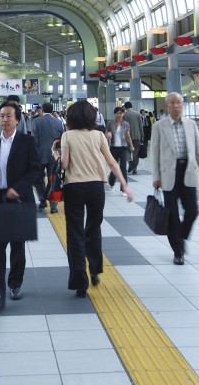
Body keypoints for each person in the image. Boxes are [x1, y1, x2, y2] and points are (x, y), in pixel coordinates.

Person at [60, 100, 132, 297]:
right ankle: (94, 269)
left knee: (75, 233)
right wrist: (124, 185)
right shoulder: (99, 135)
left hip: (73, 187)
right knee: (93, 228)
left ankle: (80, 282)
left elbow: (65, 164)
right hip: (95, 188)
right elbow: (111, 162)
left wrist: (57, 155)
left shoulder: (67, 135)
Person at [0, 101, 41, 309]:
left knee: (17, 245)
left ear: (17, 119)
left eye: (8, 116)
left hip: (19, 199)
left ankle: (15, 283)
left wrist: (19, 188)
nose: (4, 119)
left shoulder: (26, 141)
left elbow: (35, 170)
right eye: (1, 116)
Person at [151, 93, 199, 265]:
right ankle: (178, 251)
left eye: (179, 102)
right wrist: (156, 177)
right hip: (168, 174)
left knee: (192, 210)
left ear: (182, 105)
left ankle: (181, 236)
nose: (176, 106)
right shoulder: (159, 126)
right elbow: (154, 153)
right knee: (172, 215)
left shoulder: (191, 124)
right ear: (167, 106)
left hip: (188, 172)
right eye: (172, 103)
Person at [31, 103, 65, 213]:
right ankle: (53, 206)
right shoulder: (59, 122)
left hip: (39, 155)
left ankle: (42, 199)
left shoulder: (36, 121)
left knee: (38, 179)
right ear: (52, 110)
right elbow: (61, 139)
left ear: (42, 110)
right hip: (54, 155)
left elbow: (34, 139)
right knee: (53, 180)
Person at [106, 107, 133, 188]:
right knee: (114, 166)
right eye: (117, 113)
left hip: (123, 147)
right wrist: (108, 135)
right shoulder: (110, 123)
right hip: (113, 147)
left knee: (123, 168)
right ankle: (111, 182)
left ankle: (124, 188)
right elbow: (106, 133)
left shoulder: (126, 124)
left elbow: (128, 136)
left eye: (120, 113)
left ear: (123, 114)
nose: (119, 115)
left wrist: (131, 145)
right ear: (114, 114)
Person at [122, 101, 143, 174]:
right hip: (137, 136)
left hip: (127, 136)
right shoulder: (137, 114)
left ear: (125, 107)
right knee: (136, 153)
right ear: (132, 106)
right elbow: (140, 126)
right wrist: (142, 135)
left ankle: (130, 161)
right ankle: (135, 169)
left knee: (127, 150)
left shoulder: (124, 114)